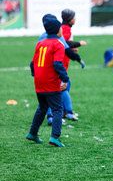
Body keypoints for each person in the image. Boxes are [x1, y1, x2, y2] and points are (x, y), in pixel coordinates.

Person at [26, 14, 69, 147]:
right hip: (51, 81)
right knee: (57, 108)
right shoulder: (58, 44)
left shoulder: (40, 43)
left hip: (39, 81)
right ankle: (55, 137)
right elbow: (57, 64)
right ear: (58, 30)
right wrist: (65, 78)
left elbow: (32, 63)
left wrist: (35, 74)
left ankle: (32, 133)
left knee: (42, 107)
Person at [38, 14, 86, 125]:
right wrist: (78, 59)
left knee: (46, 95)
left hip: (41, 71)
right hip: (53, 70)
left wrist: (33, 71)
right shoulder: (57, 39)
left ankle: (49, 117)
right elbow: (66, 50)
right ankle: (66, 113)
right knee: (62, 89)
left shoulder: (41, 37)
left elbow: (35, 58)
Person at [60, 8, 87, 121]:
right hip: (61, 62)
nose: (75, 18)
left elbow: (64, 44)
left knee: (64, 86)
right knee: (62, 87)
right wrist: (79, 44)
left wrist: (72, 48)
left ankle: (63, 111)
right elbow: (65, 43)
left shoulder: (64, 28)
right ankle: (65, 112)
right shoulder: (65, 28)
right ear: (70, 19)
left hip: (62, 61)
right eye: (74, 17)